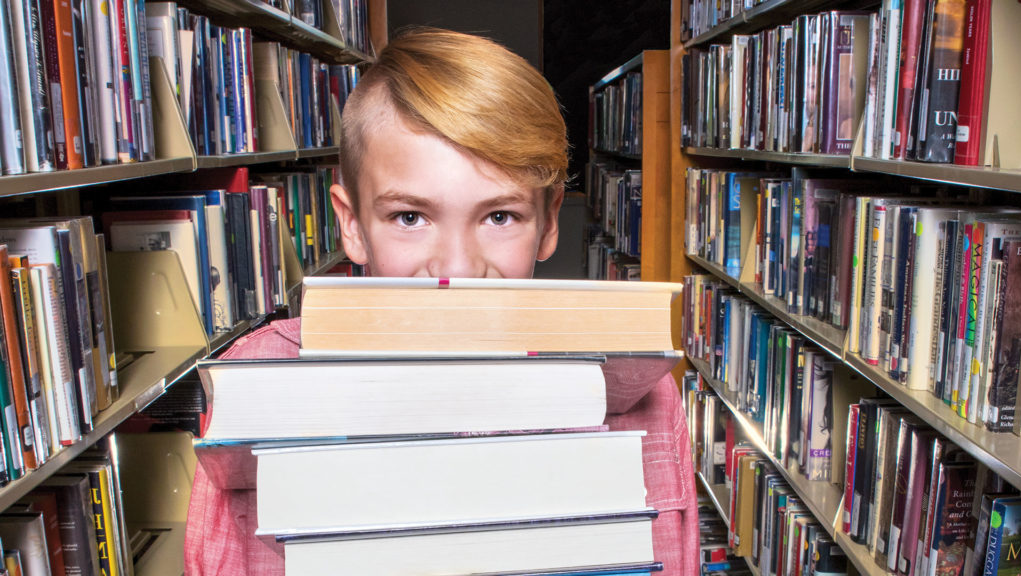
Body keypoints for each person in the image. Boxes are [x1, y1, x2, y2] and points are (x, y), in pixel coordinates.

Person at [184, 27, 698, 575]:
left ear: (549, 223)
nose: (456, 268)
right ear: (352, 224)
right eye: (410, 217)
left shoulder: (636, 388)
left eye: (500, 216)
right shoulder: (261, 385)